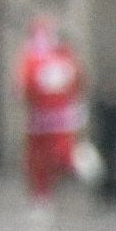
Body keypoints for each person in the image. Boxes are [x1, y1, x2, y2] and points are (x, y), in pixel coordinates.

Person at [15, 15, 84, 203]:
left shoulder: (63, 56)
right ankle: (41, 192)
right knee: (39, 158)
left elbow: (76, 81)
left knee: (57, 154)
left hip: (59, 117)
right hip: (41, 117)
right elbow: (23, 86)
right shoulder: (31, 59)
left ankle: (63, 177)